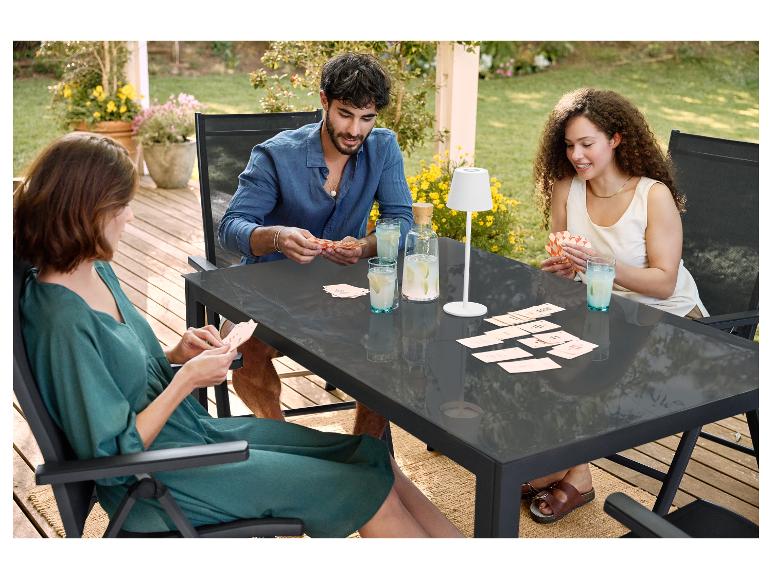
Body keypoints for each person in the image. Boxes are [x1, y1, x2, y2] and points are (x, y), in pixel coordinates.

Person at [14, 132, 462, 538]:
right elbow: (113, 458)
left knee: (371, 455)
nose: (130, 217)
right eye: (121, 206)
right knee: (362, 487)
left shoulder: (94, 270)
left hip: (192, 435)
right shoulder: (60, 322)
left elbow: (112, 370)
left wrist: (174, 354)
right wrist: (186, 380)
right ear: (86, 211)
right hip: (161, 478)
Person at [529, 87, 707, 524]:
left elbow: (664, 283)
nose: (576, 155)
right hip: (602, 312)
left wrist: (603, 264)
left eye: (587, 143)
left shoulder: (652, 196)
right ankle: (569, 465)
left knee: (581, 362)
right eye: (569, 145)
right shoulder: (566, 190)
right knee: (530, 347)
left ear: (615, 139)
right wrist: (560, 271)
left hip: (669, 320)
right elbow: (569, 270)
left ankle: (571, 470)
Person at [218, 52, 413, 438]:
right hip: (269, 290)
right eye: (345, 114)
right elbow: (231, 227)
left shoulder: (383, 148)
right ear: (324, 100)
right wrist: (278, 237)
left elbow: (400, 221)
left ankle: (363, 456)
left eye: (367, 118)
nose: (355, 130)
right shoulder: (275, 155)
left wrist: (363, 247)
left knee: (388, 347)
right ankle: (286, 445)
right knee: (244, 347)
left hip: (344, 291)